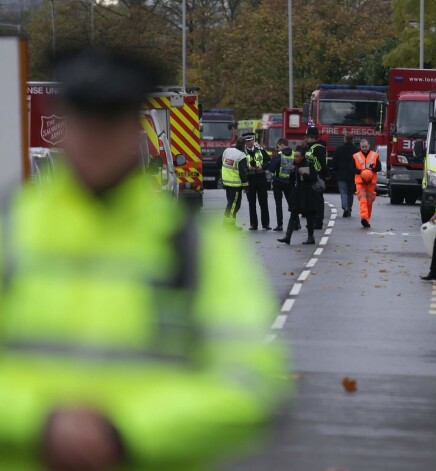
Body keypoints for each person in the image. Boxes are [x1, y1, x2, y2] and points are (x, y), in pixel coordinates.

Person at [0, 48, 289, 470]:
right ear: (64, 126)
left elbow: (251, 384)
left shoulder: (197, 247)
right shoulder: (11, 233)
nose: (97, 137)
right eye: (85, 119)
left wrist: (127, 432)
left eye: (112, 121)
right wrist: (41, 423)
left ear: (135, 130)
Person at [277, 146, 317, 245]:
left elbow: (313, 178)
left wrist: (304, 174)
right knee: (293, 214)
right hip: (298, 192)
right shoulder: (295, 164)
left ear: (302, 157)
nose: (295, 158)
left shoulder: (307, 164)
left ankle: (310, 237)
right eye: (295, 156)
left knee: (309, 216)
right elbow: (291, 180)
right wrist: (292, 171)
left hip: (307, 193)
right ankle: (287, 237)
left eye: (297, 156)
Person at [269, 138, 298, 232]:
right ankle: (297, 223)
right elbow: (302, 167)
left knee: (278, 204)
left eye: (278, 146)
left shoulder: (279, 156)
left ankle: (280, 225)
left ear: (281, 145)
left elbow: (271, 169)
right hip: (290, 182)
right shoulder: (294, 155)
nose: (277, 148)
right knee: (292, 203)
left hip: (278, 182)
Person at [244, 132, 271, 230]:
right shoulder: (242, 152)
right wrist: (247, 168)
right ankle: (253, 224)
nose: (249, 143)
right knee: (252, 203)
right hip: (249, 179)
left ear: (253, 140)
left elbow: (269, 161)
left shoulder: (260, 150)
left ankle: (266, 224)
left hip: (261, 178)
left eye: (250, 141)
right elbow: (240, 165)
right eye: (247, 141)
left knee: (263, 202)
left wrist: (262, 167)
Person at [352, 139, 382, 228]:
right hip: (360, 182)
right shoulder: (355, 156)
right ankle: (363, 217)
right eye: (362, 147)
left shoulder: (375, 155)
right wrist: (361, 171)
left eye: (365, 146)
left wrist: (372, 169)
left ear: (369, 146)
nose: (364, 148)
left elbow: (379, 168)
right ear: (360, 147)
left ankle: (366, 220)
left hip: (371, 182)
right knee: (363, 200)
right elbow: (351, 168)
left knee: (369, 202)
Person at [221, 136, 248, 229]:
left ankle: (230, 224)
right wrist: (246, 186)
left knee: (231, 203)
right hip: (235, 184)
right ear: (244, 145)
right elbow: (243, 172)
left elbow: (219, 162)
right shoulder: (241, 156)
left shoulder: (227, 151)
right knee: (234, 205)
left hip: (226, 182)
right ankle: (229, 226)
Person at [304, 127, 329, 229]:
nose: (306, 139)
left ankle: (318, 222)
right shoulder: (311, 147)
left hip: (317, 177)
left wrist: (326, 174)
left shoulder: (318, 148)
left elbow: (322, 163)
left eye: (307, 137)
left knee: (317, 201)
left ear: (312, 137)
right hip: (310, 177)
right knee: (311, 201)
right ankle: (313, 220)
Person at [334, 134, 359, 217]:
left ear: (344, 139)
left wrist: (335, 171)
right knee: (350, 193)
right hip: (352, 175)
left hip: (341, 174)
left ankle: (345, 208)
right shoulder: (356, 150)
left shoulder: (339, 149)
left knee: (343, 191)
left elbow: (335, 162)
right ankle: (349, 207)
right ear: (352, 140)